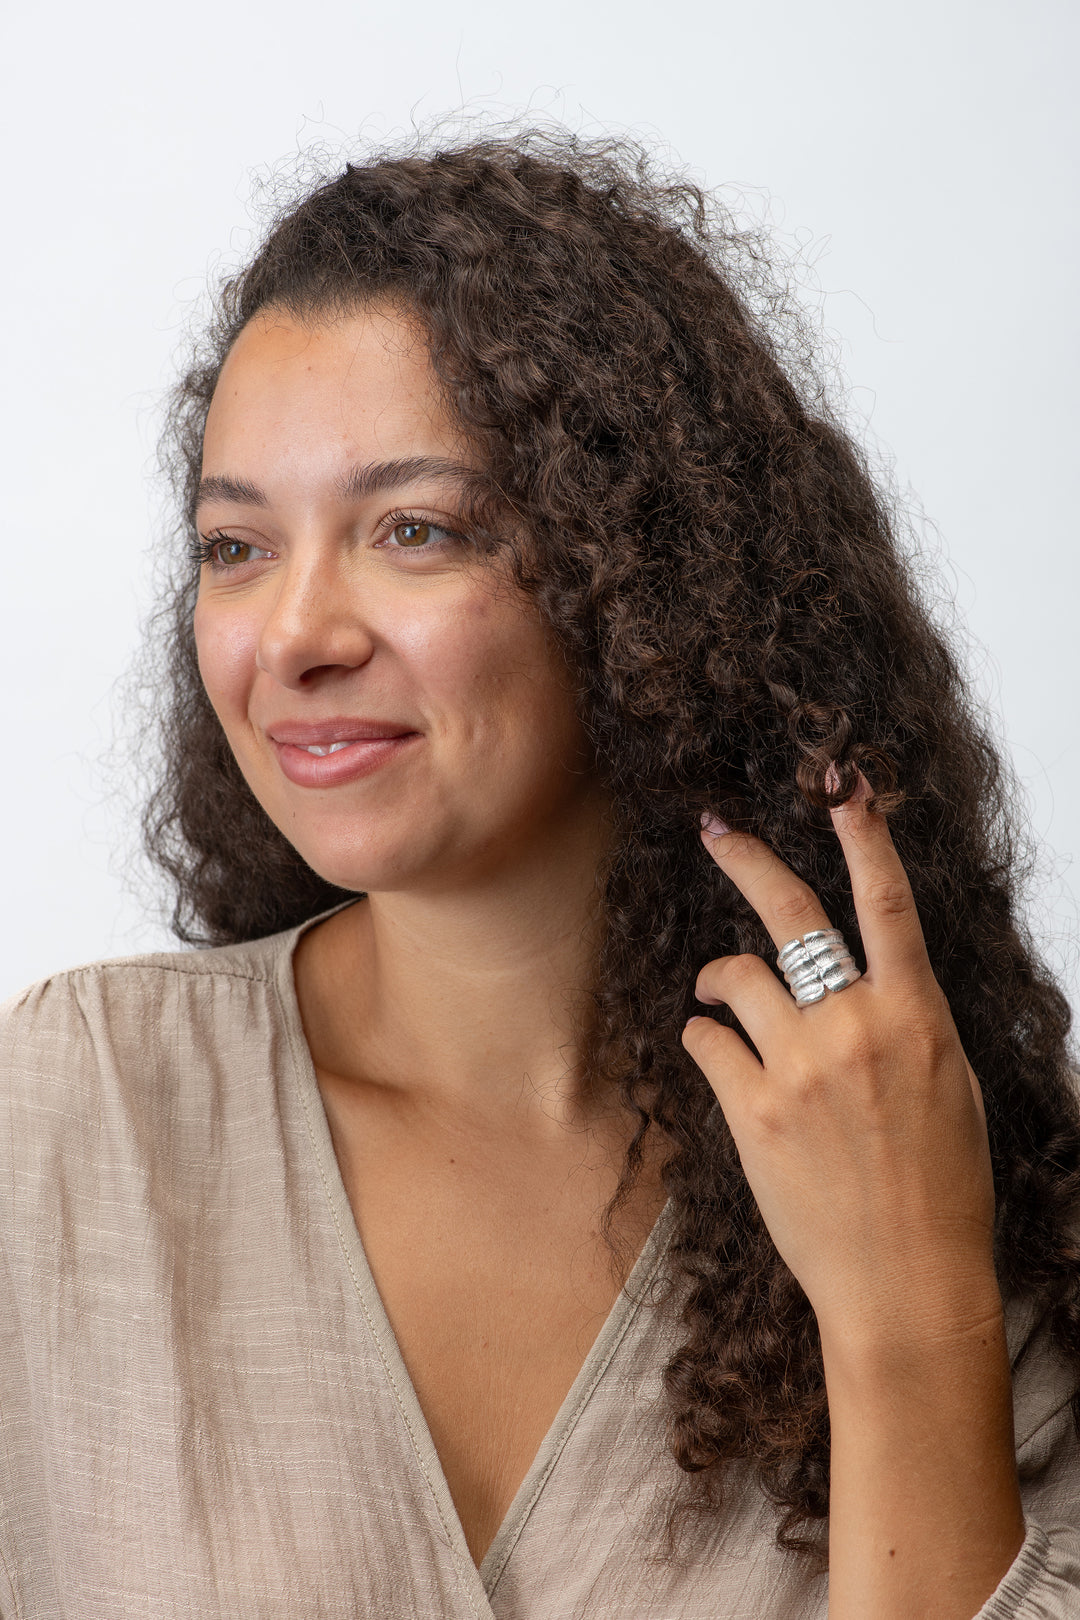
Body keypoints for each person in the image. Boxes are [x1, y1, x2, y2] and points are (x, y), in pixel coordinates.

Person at [2, 128, 1078, 1620]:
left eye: (415, 530)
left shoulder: (952, 1172)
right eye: (235, 546)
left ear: (636, 572)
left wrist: (911, 1321)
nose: (295, 634)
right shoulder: (66, 1119)